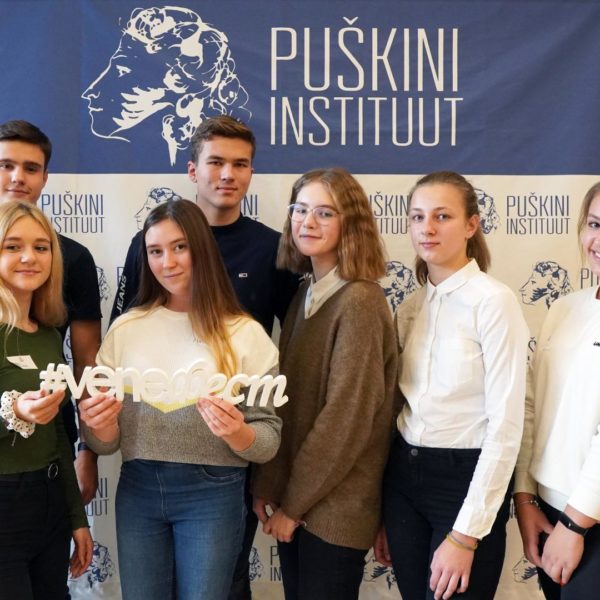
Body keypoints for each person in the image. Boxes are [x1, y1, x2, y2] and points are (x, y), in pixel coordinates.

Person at [111, 115, 298, 599]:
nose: (170, 261)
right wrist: (94, 437)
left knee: (225, 587)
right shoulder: (133, 318)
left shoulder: (270, 253)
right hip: (142, 476)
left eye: (240, 164)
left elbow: (285, 365)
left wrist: (254, 452)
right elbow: (116, 361)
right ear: (193, 169)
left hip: (225, 471)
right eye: (216, 162)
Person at [79, 199, 282, 600]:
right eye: (155, 251)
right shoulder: (126, 330)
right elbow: (105, 444)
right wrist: (98, 426)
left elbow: (268, 441)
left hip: (214, 494)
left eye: (180, 247)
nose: (167, 262)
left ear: (202, 248)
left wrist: (237, 432)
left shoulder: (245, 333)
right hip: (137, 489)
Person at [375, 171, 529, 600]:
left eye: (442, 216)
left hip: (465, 482)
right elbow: (396, 409)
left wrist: (465, 535)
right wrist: (383, 513)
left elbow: (505, 426)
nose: (427, 228)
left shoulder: (493, 302)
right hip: (403, 482)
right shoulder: (409, 307)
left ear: (471, 225)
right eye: (417, 216)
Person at [252, 168, 398, 600]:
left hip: (334, 511)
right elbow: (289, 406)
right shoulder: (305, 294)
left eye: (324, 213)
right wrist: (269, 485)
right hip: (299, 502)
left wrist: (293, 505)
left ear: (351, 224)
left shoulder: (360, 301)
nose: (307, 222)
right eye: (299, 210)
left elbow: (345, 420)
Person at [0, 120, 102, 505]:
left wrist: (87, 450)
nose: (17, 177)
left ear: (45, 178)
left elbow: (87, 362)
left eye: (30, 168)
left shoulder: (73, 259)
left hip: (51, 448)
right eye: (6, 165)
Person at [0, 201, 93, 598]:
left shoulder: (49, 335)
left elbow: (57, 436)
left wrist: (77, 518)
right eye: (13, 246)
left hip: (50, 502)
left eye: (41, 247)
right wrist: (14, 409)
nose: (29, 257)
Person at [514, 182, 600, 598]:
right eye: (595, 224)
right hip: (548, 510)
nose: (598, 241)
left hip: (584, 520)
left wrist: (574, 525)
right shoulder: (565, 308)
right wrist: (525, 499)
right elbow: (531, 405)